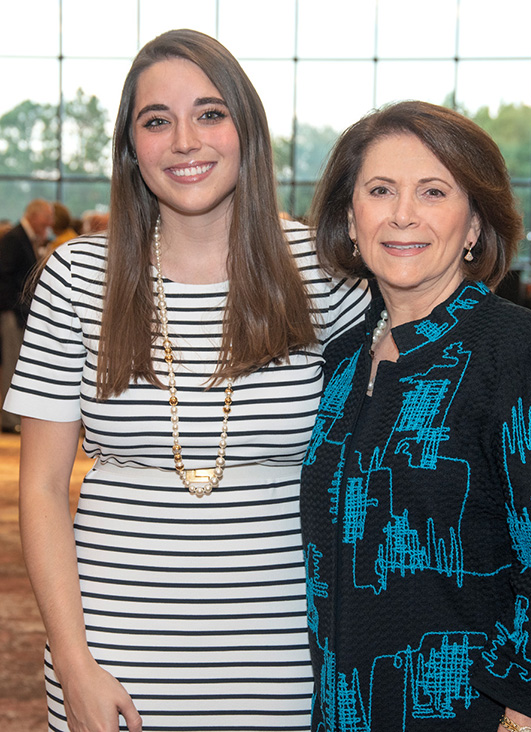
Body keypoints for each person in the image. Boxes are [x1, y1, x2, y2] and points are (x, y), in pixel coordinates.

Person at [5, 30, 369, 732]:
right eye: (156, 120)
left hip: (285, 659)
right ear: (129, 148)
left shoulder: (324, 273)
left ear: (247, 128)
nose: (184, 141)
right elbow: (44, 489)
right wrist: (75, 666)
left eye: (209, 113)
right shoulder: (79, 278)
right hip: (112, 661)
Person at [301, 101, 531, 732]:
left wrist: (525, 723)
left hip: (478, 715)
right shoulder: (342, 360)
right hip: (348, 710)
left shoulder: (517, 351)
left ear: (473, 226)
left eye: (433, 191)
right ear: (350, 220)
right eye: (380, 190)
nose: (402, 213)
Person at [0, 198, 54, 432]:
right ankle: (9, 420)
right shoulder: (14, 238)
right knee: (12, 365)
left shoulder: (26, 237)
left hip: (19, 313)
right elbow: (6, 277)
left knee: (15, 365)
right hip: (11, 313)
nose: (49, 223)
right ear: (35, 216)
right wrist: (16, 307)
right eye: (46, 218)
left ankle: (13, 418)